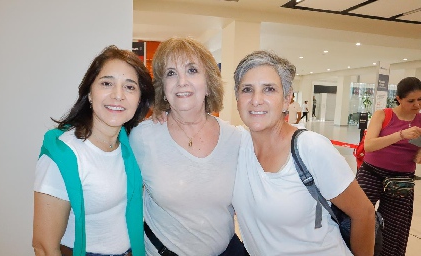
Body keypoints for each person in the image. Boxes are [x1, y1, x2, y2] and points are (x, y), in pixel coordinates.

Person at [232, 50, 376, 256]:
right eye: (247, 89)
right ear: (237, 97)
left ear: (286, 99)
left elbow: (364, 214)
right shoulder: (236, 143)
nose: (256, 100)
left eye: (269, 89)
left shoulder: (310, 148)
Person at [32, 45, 155, 256]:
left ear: (139, 99)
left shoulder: (130, 142)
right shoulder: (63, 155)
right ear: (89, 93)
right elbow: (44, 246)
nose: (118, 95)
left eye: (130, 87)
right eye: (107, 83)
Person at [129, 37, 246, 256]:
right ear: (163, 88)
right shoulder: (143, 138)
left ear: (209, 83)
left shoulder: (237, 139)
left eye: (192, 70)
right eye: (171, 73)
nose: (182, 81)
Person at [357, 76, 421, 256]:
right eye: (411, 101)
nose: (416, 105)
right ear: (399, 99)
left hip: (401, 180)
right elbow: (369, 145)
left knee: (394, 229)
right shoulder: (383, 115)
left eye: (420, 100)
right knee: (358, 218)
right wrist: (401, 134)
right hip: (371, 174)